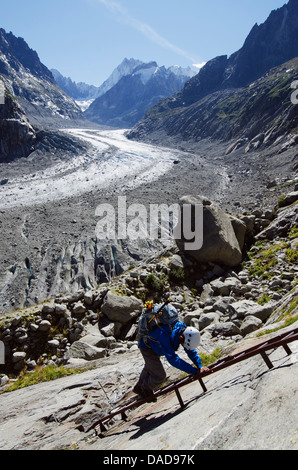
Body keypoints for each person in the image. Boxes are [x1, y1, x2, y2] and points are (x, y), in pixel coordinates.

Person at [133, 316, 210, 400]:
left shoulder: (182, 330)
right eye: (182, 343)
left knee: (151, 366)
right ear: (181, 337)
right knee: (160, 375)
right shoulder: (164, 335)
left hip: (155, 344)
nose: (182, 345)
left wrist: (199, 366)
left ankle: (138, 388)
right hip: (147, 347)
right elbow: (173, 359)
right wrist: (194, 371)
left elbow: (189, 350)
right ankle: (145, 389)